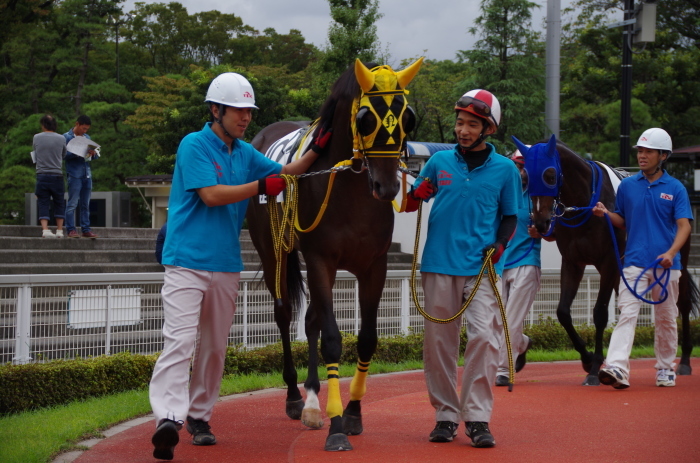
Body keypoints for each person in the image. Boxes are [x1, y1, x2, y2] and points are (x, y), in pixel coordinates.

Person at [149, 72, 331, 461]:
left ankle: (199, 417)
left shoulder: (245, 152)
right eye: (238, 111)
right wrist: (259, 188)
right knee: (179, 343)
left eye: (249, 112)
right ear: (215, 110)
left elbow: (289, 173)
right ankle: (167, 417)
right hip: (185, 260)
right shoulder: (194, 144)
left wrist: (318, 148)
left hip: (225, 264)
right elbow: (212, 196)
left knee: (215, 348)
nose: (245, 118)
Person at [406, 89, 521, 447]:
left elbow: (511, 216)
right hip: (439, 264)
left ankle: (477, 417)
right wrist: (417, 193)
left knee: (485, 339)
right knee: (439, 345)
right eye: (460, 122)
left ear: (488, 129)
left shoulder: (505, 169)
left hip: (482, 268)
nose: (463, 130)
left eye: (472, 124)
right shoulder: (438, 163)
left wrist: (500, 245)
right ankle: (444, 415)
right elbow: (411, 204)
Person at [593, 128, 692, 390]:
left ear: (663, 156)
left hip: (666, 265)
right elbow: (623, 221)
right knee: (627, 313)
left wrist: (671, 253)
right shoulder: (627, 186)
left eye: (648, 151)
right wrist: (605, 214)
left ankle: (665, 368)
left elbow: (684, 226)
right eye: (640, 151)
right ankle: (617, 367)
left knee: (666, 318)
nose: (642, 155)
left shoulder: (675, 188)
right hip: (634, 262)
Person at [494, 149, 548, 386]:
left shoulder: (538, 197)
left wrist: (543, 232)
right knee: (496, 319)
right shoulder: (502, 191)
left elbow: (552, 231)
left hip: (527, 262)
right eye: (517, 164)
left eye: (524, 166)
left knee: (511, 319)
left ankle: (504, 369)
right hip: (501, 262)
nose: (520, 170)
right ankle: (522, 343)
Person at [64, 114, 99, 239]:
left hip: (86, 172)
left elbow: (92, 157)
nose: (84, 131)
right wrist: (78, 152)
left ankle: (86, 228)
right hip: (74, 174)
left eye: (86, 129)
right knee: (72, 203)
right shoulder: (66, 137)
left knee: (86, 204)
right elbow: (64, 155)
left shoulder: (87, 137)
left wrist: (92, 153)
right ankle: (71, 229)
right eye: (83, 128)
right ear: (77, 124)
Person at [33, 115, 67, 238]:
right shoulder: (61, 138)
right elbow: (64, 154)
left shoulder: (36, 137)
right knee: (59, 202)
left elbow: (35, 153)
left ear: (43, 124)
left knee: (43, 202)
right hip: (57, 174)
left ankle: (45, 230)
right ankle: (59, 231)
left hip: (42, 175)